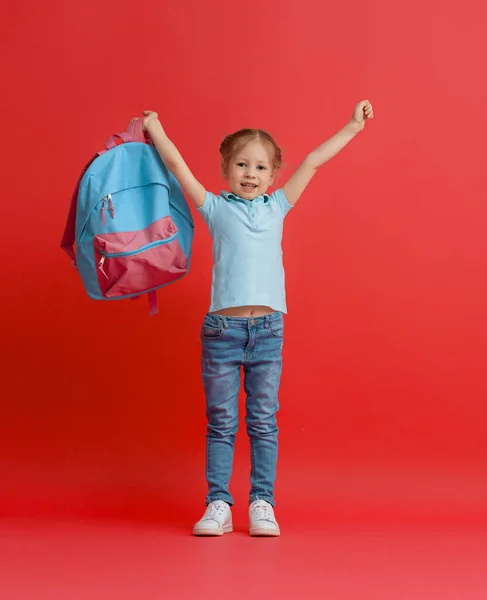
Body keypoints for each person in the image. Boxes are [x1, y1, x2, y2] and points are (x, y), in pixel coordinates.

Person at [134, 100, 374, 536]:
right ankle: (217, 504)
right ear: (226, 169)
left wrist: (353, 128)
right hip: (222, 333)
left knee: (263, 421)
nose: (250, 173)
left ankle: (262, 501)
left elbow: (313, 161)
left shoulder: (277, 206)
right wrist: (155, 127)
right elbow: (175, 162)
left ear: (273, 174)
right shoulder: (213, 207)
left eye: (260, 168)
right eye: (241, 164)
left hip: (266, 332)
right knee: (222, 422)